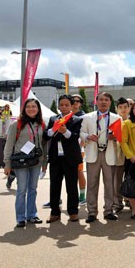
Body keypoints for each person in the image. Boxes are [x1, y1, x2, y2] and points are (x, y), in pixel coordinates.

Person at [3, 98, 47, 228]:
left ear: (38, 109)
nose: (31, 109)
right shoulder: (16, 124)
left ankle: (32, 215)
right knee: (21, 189)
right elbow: (9, 144)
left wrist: (45, 162)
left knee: (33, 189)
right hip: (21, 161)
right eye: (28, 107)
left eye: (34, 106)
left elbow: (44, 145)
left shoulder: (42, 124)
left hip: (36, 161)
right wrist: (7, 163)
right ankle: (20, 217)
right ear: (24, 109)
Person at [80, 92, 121, 223]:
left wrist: (115, 138)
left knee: (109, 185)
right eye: (101, 100)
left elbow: (121, 136)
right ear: (96, 101)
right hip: (93, 153)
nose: (104, 102)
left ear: (110, 102)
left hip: (109, 153)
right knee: (92, 184)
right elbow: (81, 132)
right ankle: (92, 212)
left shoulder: (116, 118)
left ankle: (108, 210)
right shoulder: (87, 117)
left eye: (106, 100)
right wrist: (87, 137)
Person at [44, 95, 82, 223]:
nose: (64, 107)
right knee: (54, 185)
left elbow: (76, 136)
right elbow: (46, 135)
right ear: (59, 106)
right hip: (55, 158)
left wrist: (65, 131)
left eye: (67, 105)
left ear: (72, 106)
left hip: (70, 158)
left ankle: (73, 211)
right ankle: (55, 212)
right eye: (62, 105)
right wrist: (53, 130)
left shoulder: (76, 120)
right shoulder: (53, 119)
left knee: (71, 186)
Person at [113, 97, 131, 213]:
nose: (123, 110)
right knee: (117, 180)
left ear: (129, 108)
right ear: (116, 109)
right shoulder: (114, 121)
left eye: (125, 107)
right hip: (118, 154)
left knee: (130, 179)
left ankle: (130, 199)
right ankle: (117, 203)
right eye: (120, 107)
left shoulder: (133, 121)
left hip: (130, 155)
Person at [71, 94, 87, 206]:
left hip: (78, 149)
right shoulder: (65, 114)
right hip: (65, 149)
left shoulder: (83, 116)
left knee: (78, 171)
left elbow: (85, 132)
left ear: (80, 103)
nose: (75, 102)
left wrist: (81, 145)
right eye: (73, 100)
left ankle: (82, 196)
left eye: (78, 101)